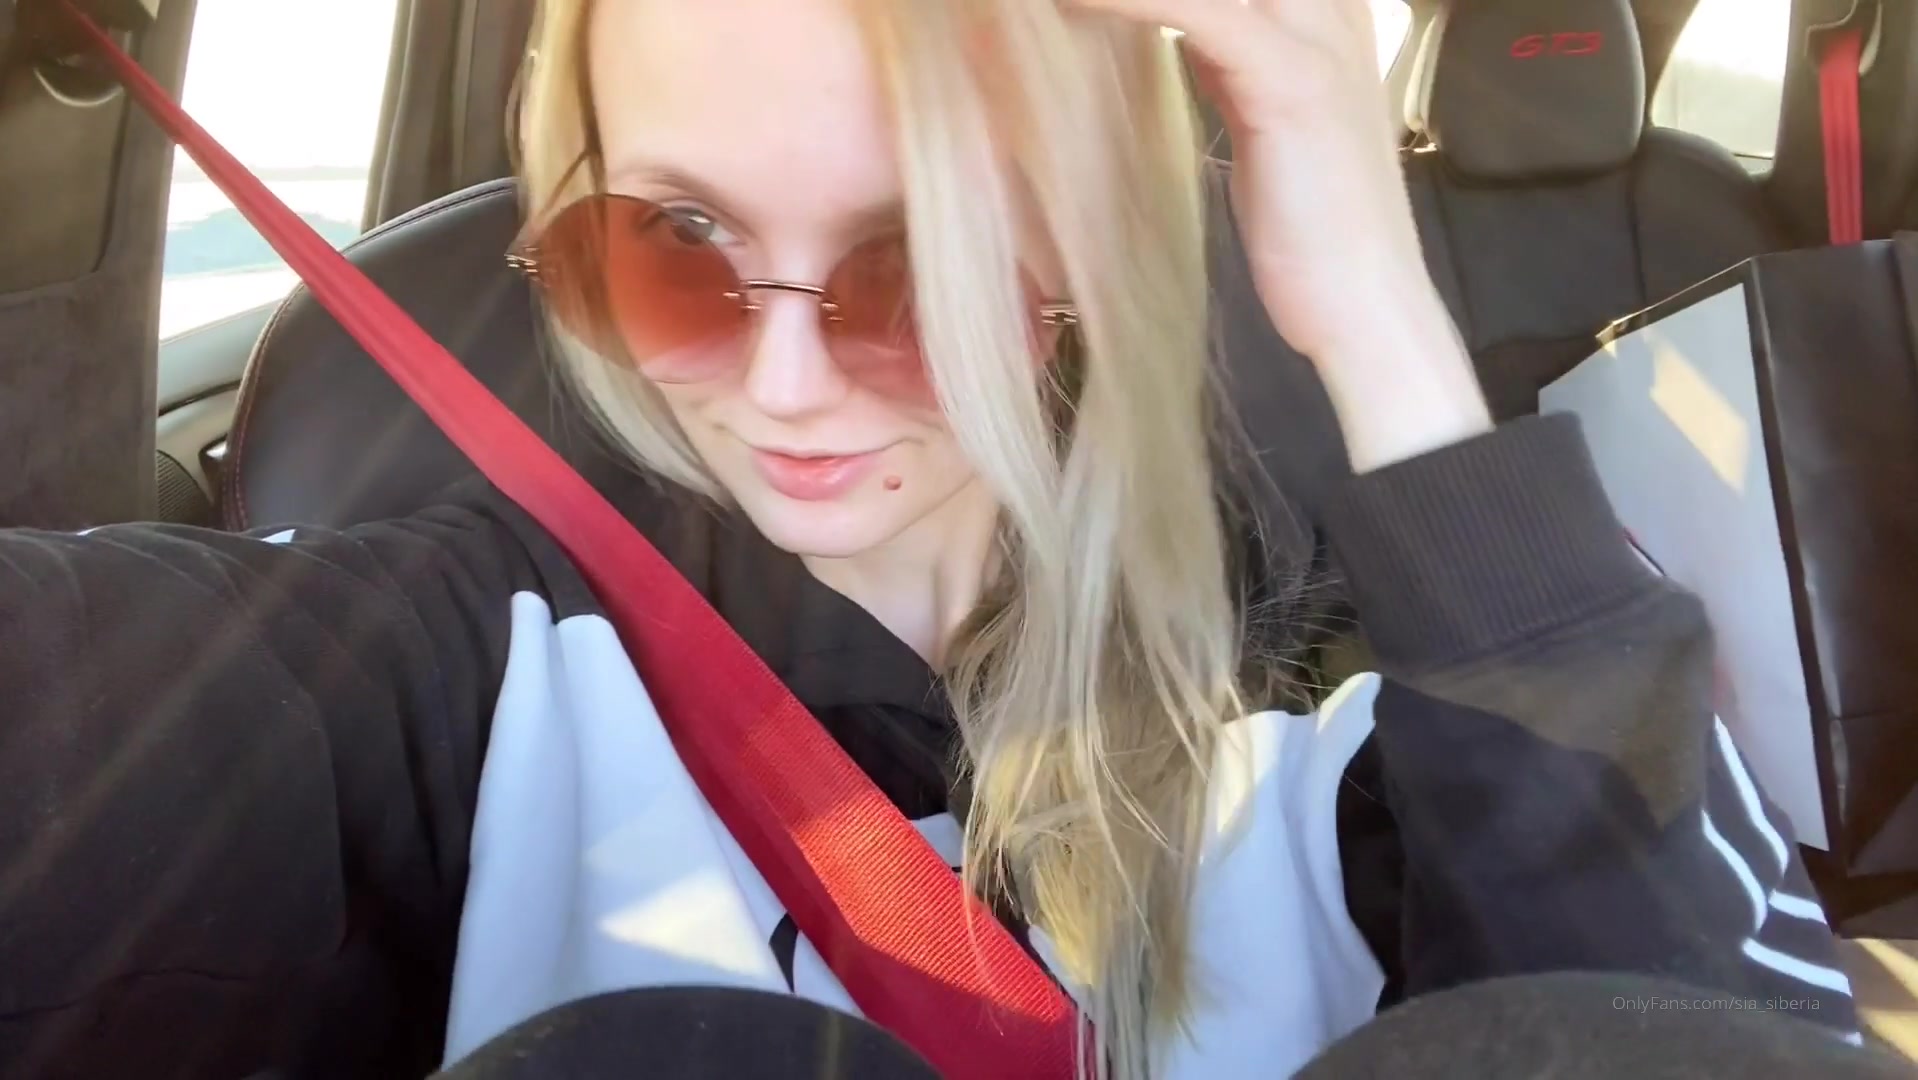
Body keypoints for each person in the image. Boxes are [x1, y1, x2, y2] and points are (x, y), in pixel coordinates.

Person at [0, 0, 1879, 1078]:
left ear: (1086, 254)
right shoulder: (458, 659)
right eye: (672, 243)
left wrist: (1375, 317)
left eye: (921, 264)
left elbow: (1708, 1029)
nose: (786, 387)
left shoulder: (1343, 722)